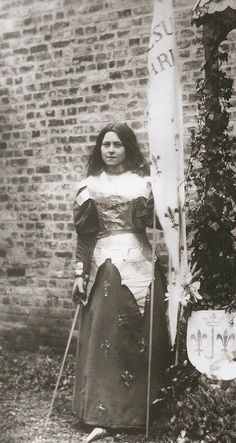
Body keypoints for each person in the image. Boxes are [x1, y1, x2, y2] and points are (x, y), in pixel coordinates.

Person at [72, 122, 171, 442]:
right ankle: (104, 412)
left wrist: (164, 191)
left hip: (140, 263)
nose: (110, 150)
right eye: (105, 144)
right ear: (99, 149)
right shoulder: (89, 186)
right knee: (107, 339)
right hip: (106, 268)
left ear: (128, 149)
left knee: (139, 336)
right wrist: (79, 273)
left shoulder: (144, 184)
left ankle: (142, 410)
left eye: (117, 145)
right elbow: (85, 237)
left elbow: (159, 224)